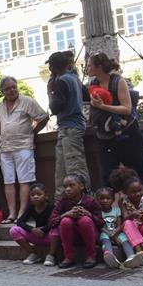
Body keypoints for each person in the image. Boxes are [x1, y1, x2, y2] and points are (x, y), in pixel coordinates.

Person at [85, 53, 143, 190]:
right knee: (108, 173)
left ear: (99, 67)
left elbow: (127, 109)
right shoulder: (93, 83)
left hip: (127, 132)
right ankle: (114, 209)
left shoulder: (118, 81)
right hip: (104, 134)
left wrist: (103, 106)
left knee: (141, 167)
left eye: (89, 65)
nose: (87, 68)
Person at [0, 76, 49, 224]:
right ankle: (11, 213)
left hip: (24, 146)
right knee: (8, 181)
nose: (11, 90)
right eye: (7, 88)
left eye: (13, 87)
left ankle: (22, 213)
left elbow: (43, 117)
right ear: (2, 91)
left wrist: (33, 132)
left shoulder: (27, 101)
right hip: (5, 147)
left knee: (24, 180)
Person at [46, 50, 89, 195]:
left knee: (74, 169)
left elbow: (55, 107)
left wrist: (50, 92)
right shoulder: (74, 78)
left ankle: (83, 202)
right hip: (71, 127)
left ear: (53, 67)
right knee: (64, 170)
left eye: (50, 66)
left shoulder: (61, 81)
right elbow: (86, 95)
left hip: (70, 128)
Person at [46, 173, 102, 269]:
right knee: (65, 221)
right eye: (65, 186)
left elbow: (101, 223)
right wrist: (66, 214)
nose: (67, 189)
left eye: (71, 185)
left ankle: (91, 256)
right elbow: (51, 222)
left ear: (81, 186)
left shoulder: (91, 201)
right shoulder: (62, 202)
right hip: (71, 237)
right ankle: (68, 257)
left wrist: (88, 214)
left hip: (91, 236)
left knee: (84, 220)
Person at [94, 186, 143, 269]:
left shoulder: (116, 210)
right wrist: (109, 233)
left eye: (108, 198)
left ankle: (130, 257)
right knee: (105, 238)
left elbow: (120, 224)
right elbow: (100, 226)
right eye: (101, 199)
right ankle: (109, 255)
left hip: (116, 232)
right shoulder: (98, 212)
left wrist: (115, 233)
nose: (105, 201)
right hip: (105, 232)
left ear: (113, 200)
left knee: (124, 238)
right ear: (97, 200)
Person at [8, 182, 57, 265]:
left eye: (39, 194)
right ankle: (34, 254)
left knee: (57, 229)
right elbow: (20, 221)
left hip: (49, 236)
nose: (35, 197)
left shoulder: (51, 208)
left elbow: (54, 221)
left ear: (46, 196)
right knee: (14, 230)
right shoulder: (31, 208)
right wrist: (32, 229)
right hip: (36, 235)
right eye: (32, 195)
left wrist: (43, 230)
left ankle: (51, 255)